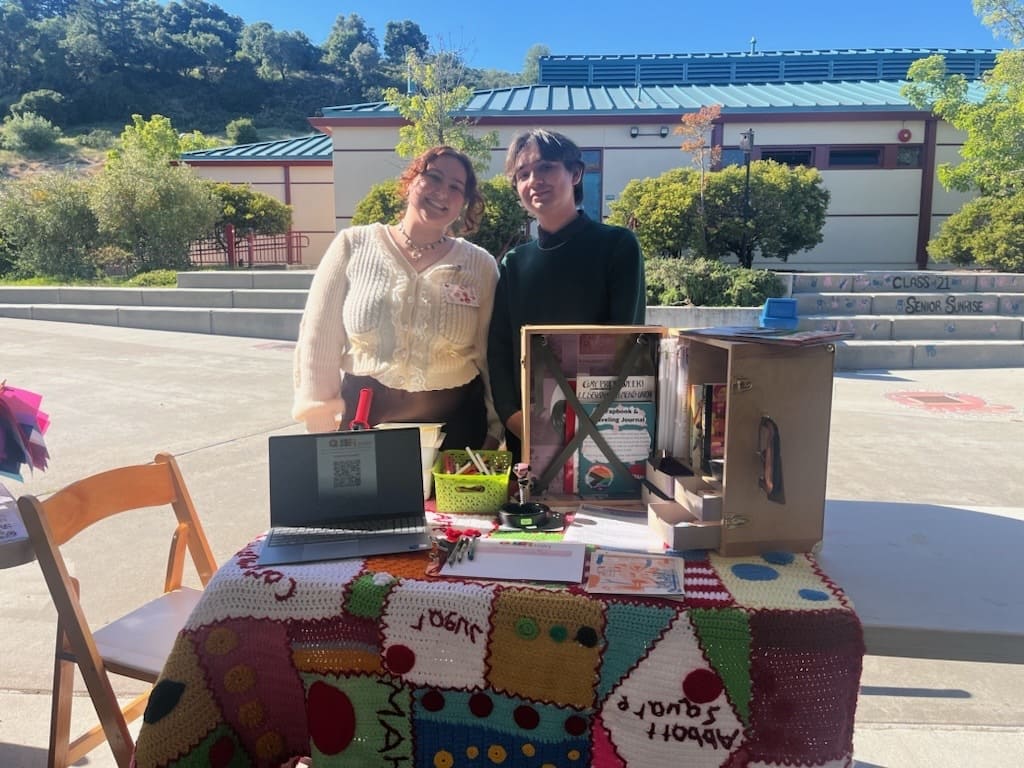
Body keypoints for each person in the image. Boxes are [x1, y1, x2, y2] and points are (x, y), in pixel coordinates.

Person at [292, 146, 501, 450]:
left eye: (456, 187)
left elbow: (489, 355)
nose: (442, 192)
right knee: (367, 499)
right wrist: (322, 426)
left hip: (455, 427)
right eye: (433, 177)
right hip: (364, 418)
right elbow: (318, 339)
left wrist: (494, 431)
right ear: (410, 180)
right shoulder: (353, 245)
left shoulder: (479, 265)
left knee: (446, 501)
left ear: (464, 203)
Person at [487, 129, 647, 461]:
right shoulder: (515, 263)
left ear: (575, 173)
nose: (534, 180)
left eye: (546, 168)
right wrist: (511, 415)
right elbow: (499, 348)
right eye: (523, 174)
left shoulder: (617, 246)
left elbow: (625, 340)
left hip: (602, 428)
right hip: (529, 431)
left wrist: (587, 419)